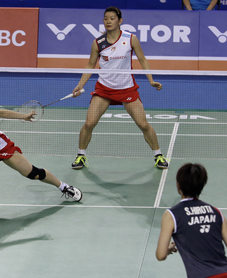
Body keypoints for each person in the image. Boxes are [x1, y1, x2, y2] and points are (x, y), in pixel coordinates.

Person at [70, 6, 169, 170]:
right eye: (105, 18)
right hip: (104, 90)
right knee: (88, 124)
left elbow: (143, 60)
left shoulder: (130, 39)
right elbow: (90, 65)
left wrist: (151, 81)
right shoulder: (98, 43)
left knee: (143, 125)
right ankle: (81, 156)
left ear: (120, 21)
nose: (108, 21)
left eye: (112, 18)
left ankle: (158, 155)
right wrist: (80, 85)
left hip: (127, 89)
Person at [156, 163, 227, 278]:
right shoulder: (217, 212)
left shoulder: (171, 215)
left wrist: (167, 249)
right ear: (202, 186)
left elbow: (160, 255)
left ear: (178, 185)